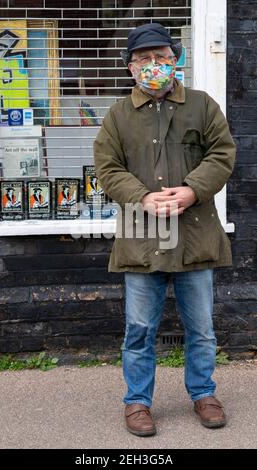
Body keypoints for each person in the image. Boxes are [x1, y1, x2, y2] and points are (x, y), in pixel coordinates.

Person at [94, 23, 236, 436]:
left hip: (195, 235)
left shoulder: (202, 105)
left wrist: (192, 190)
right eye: (143, 59)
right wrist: (141, 196)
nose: (153, 66)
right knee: (139, 330)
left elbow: (222, 154)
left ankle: (204, 394)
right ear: (129, 69)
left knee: (202, 329)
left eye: (161, 58)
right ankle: (137, 403)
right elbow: (107, 167)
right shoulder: (119, 116)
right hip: (141, 236)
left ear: (176, 62)